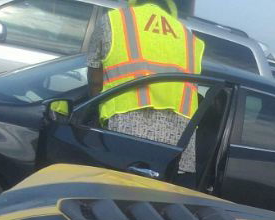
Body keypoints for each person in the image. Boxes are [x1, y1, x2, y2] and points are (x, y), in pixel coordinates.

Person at [86, 0, 205, 173]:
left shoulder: (115, 20)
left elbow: (95, 80)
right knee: (163, 195)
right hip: (179, 138)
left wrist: (93, 112)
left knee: (121, 191)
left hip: (128, 128)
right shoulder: (187, 34)